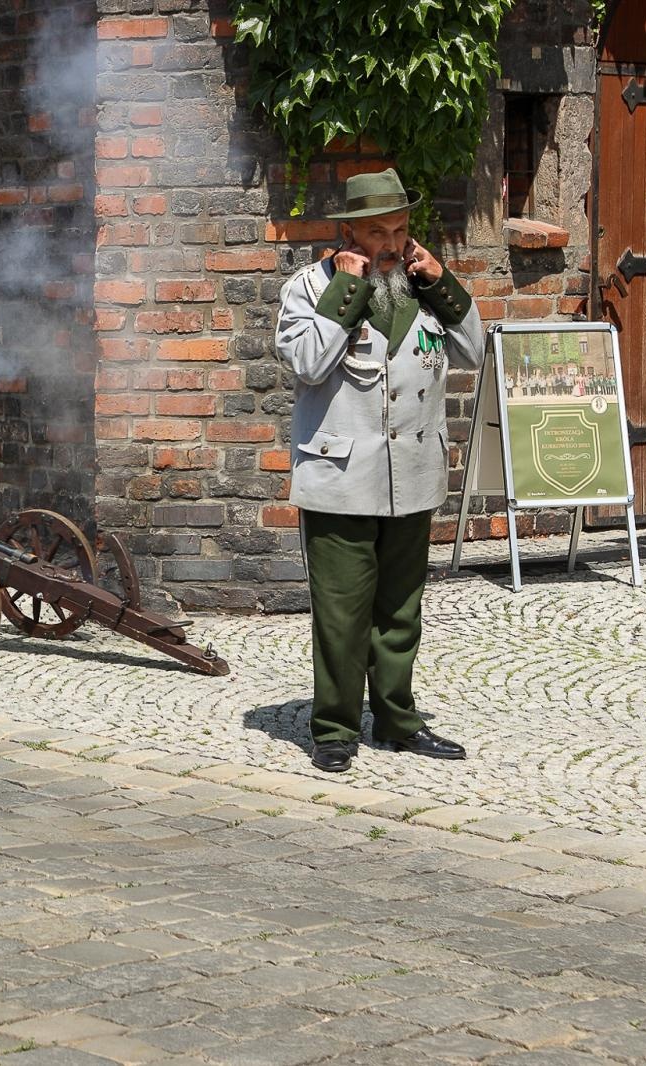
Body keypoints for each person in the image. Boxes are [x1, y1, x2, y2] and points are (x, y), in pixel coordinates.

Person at [274, 168, 484, 773]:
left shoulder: (422, 289)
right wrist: (347, 288)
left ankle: (396, 720)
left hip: (413, 473)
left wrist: (444, 285)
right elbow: (310, 363)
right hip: (341, 479)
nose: (390, 244)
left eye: (398, 230)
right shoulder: (308, 288)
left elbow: (473, 350)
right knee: (342, 613)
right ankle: (335, 727)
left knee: (399, 610)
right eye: (375, 233)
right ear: (349, 232)